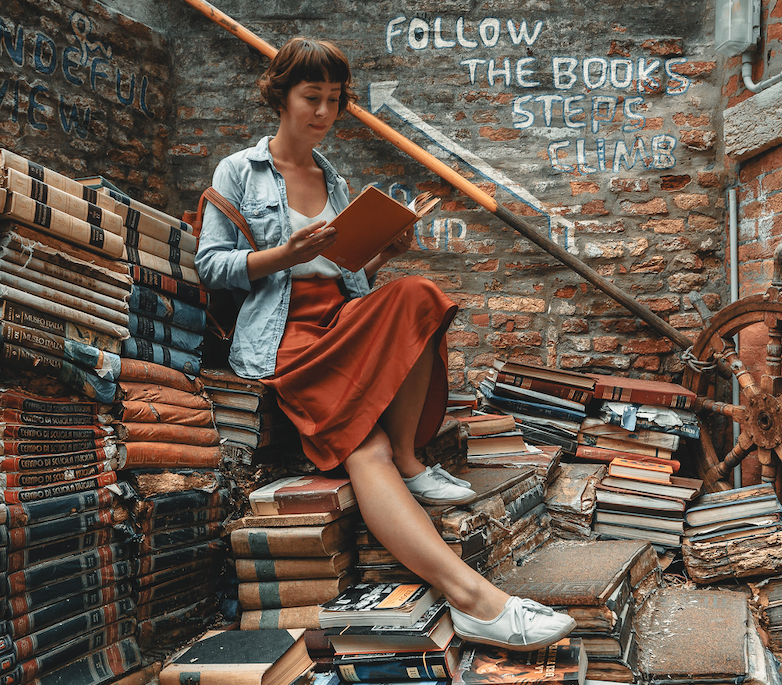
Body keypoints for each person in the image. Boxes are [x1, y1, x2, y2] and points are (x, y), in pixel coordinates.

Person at [195, 37, 575, 651]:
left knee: (418, 293)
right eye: (310, 98)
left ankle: (410, 457)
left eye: (334, 101)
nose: (322, 113)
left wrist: (381, 256)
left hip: (340, 322)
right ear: (281, 96)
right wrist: (281, 255)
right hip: (284, 337)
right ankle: (477, 601)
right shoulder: (240, 170)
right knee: (360, 450)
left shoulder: (333, 178)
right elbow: (212, 266)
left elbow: (349, 278)